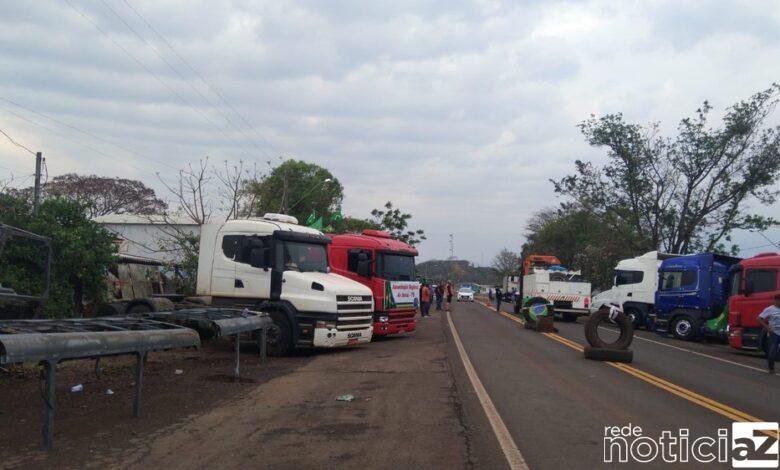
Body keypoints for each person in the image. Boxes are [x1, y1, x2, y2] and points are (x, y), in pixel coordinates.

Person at [757, 294, 780, 374]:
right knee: (773, 351)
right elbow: (759, 319)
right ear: (776, 301)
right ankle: (771, 367)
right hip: (775, 333)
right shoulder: (770, 309)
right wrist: (767, 328)